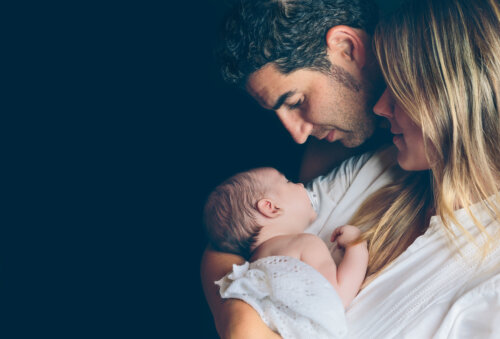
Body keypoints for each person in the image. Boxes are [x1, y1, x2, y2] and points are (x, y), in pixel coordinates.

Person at [202, 0, 500, 337]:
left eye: (297, 101)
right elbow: (230, 239)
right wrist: (241, 323)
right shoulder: (374, 168)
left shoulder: (486, 280)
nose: (381, 106)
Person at [203, 167, 369, 338]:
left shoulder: (251, 268)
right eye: (288, 181)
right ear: (271, 207)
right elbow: (338, 296)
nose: (300, 185)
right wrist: (357, 245)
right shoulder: (305, 244)